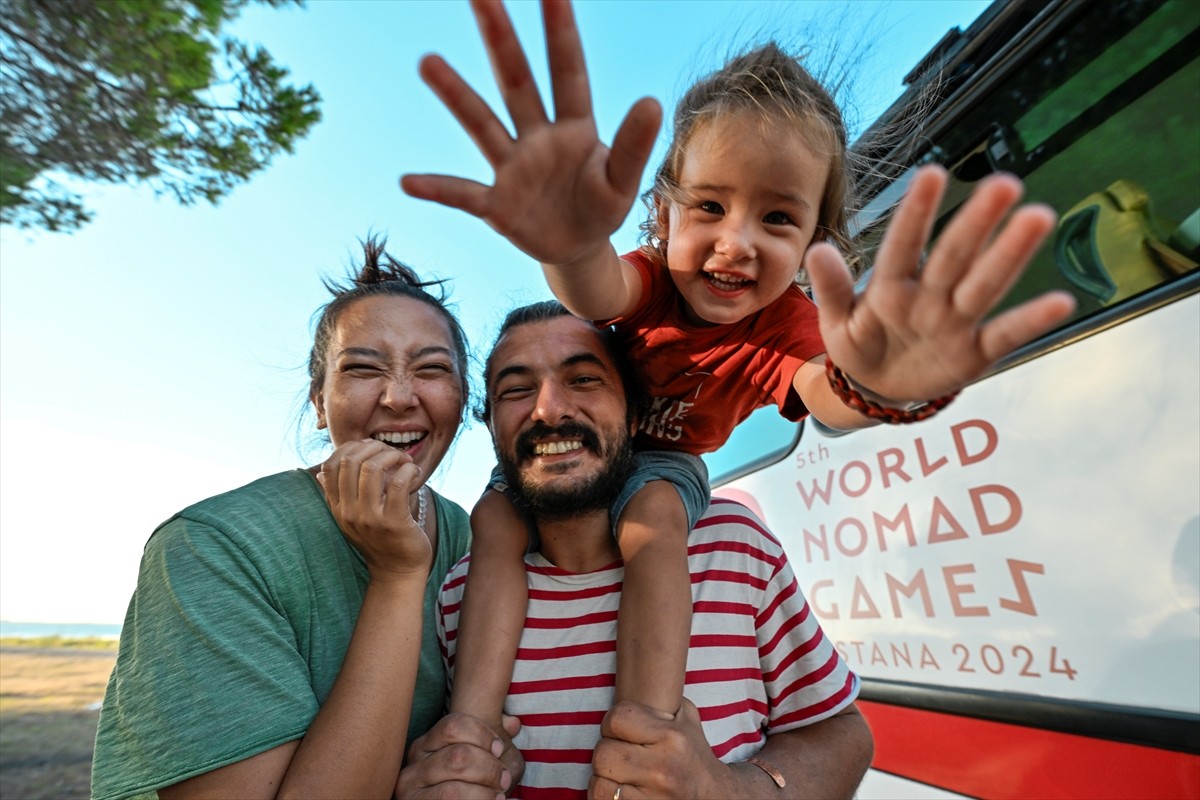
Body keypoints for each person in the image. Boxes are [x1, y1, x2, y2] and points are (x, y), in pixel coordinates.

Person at [403, 0, 1078, 745]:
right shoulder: (654, 279)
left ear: (816, 241)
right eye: (711, 208)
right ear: (664, 217)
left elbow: (826, 394)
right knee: (496, 520)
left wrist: (877, 387)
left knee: (654, 520)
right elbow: (597, 288)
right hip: (595, 442)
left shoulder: (785, 323)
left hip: (665, 460)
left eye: (777, 219)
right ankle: (468, 725)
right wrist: (567, 245)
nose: (736, 242)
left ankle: (643, 734)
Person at [91, 238, 517, 799]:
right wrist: (396, 575)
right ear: (320, 401)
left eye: (432, 370)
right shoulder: (213, 548)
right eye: (364, 369)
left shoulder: (475, 540)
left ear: (462, 401)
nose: (398, 396)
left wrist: (486, 761)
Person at [436, 300, 874, 797]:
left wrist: (731, 791)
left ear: (635, 411)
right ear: (491, 425)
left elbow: (841, 732)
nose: (549, 408)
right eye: (515, 390)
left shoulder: (734, 545)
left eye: (583, 380)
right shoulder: (457, 595)